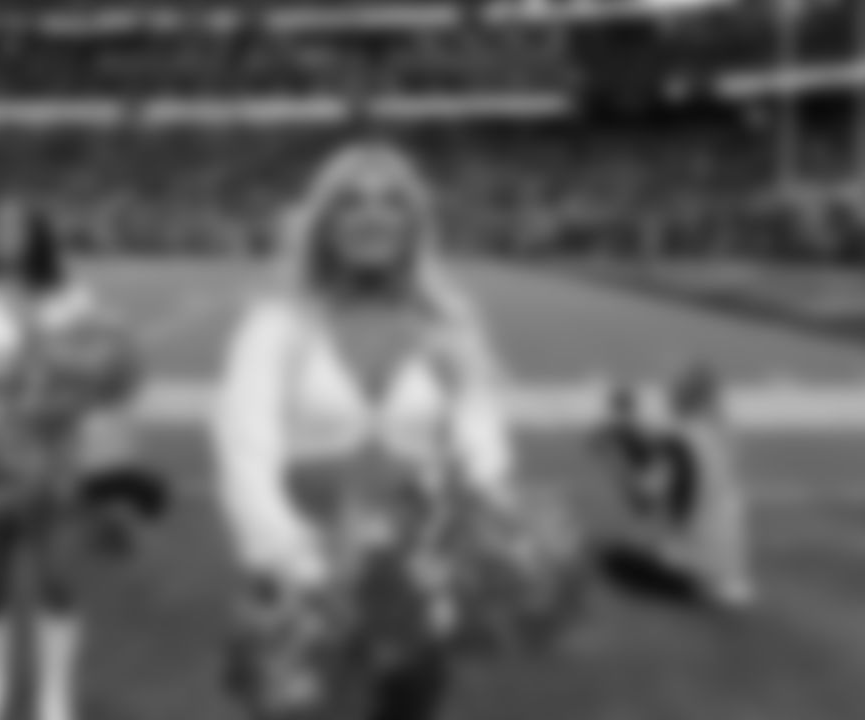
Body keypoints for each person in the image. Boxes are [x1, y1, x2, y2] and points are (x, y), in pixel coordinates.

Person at [211, 141, 582, 720]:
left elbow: (481, 437)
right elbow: (245, 453)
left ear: (415, 222)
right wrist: (293, 559)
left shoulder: (449, 320)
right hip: (300, 574)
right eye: (350, 202)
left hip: (416, 578)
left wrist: (484, 536)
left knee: (409, 708)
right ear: (324, 222)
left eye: (392, 202)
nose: (372, 215)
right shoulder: (275, 324)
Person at [0, 201, 159, 720]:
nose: (6, 236)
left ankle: (54, 697)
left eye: (17, 226)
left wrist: (105, 462)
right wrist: (4, 446)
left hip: (59, 460)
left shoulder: (73, 297)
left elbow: (107, 378)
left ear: (37, 235)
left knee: (59, 580)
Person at [596, 367, 753, 610]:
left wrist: (614, 459)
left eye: (674, 389)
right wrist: (631, 435)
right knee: (655, 546)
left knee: (607, 557)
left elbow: (641, 502)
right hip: (732, 574)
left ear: (683, 396)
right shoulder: (728, 436)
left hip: (696, 577)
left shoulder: (677, 442)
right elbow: (686, 466)